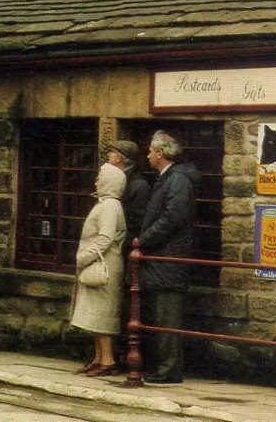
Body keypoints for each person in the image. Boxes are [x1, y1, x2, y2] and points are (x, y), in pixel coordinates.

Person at [138, 130, 200, 384]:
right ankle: (163, 366)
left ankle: (169, 370)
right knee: (160, 317)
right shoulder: (168, 179)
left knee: (167, 318)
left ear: (161, 153)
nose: (148, 155)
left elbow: (172, 218)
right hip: (161, 261)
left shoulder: (177, 180)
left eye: (151, 151)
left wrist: (143, 240)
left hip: (169, 261)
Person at [70, 162, 127, 377]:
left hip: (105, 265)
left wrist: (84, 257)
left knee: (102, 315)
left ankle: (108, 360)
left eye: (100, 177)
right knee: (94, 315)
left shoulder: (111, 206)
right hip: (98, 264)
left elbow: (105, 238)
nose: (96, 181)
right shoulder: (105, 204)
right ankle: (98, 358)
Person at [106, 140, 151, 366]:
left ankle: (125, 356)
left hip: (125, 252)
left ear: (120, 158)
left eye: (111, 153)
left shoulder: (137, 184)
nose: (108, 157)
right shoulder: (120, 181)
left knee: (126, 304)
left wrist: (124, 244)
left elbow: (137, 222)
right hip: (118, 250)